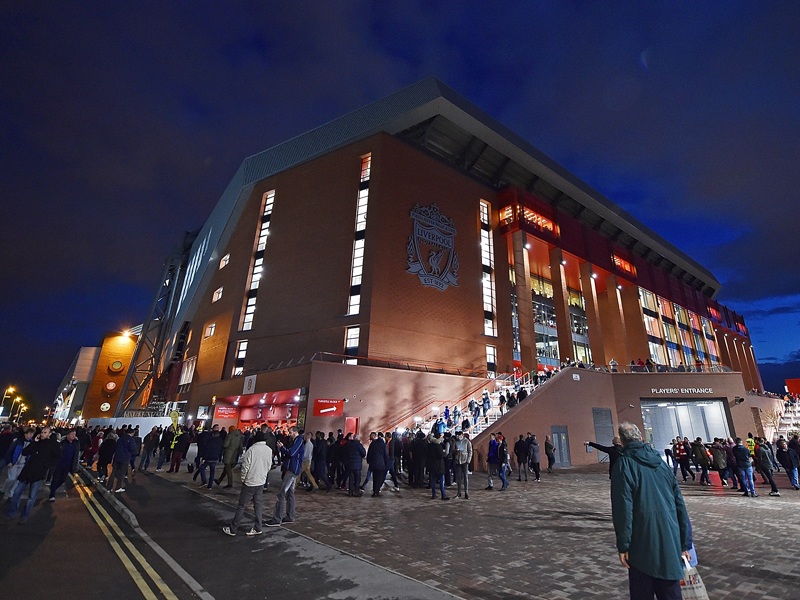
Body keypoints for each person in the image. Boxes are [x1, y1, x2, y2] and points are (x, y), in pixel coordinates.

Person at [611, 422, 691, 600]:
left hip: (641, 543)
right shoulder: (662, 464)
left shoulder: (624, 465)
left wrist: (623, 545)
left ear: (622, 442)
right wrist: (684, 543)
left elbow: (623, 509)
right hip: (670, 539)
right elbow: (679, 504)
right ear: (641, 438)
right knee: (671, 593)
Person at [6, 426, 62, 522]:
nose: (42, 434)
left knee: (32, 497)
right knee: (16, 493)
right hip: (27, 471)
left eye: (45, 432)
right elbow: (25, 452)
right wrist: (34, 442)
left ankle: (24, 516)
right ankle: (12, 513)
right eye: (42, 432)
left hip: (38, 473)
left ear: (50, 434)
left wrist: (46, 465)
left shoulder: (54, 444)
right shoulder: (36, 442)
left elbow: (57, 457)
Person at [223, 431, 273, 536]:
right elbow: (269, 465)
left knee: (242, 505)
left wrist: (243, 478)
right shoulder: (269, 450)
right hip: (260, 481)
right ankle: (258, 527)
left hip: (250, 481)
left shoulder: (252, 450)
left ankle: (233, 528)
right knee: (258, 505)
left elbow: (246, 466)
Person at [266, 426, 303, 526]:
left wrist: (282, 448)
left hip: (292, 470)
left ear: (295, 432)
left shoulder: (298, 441)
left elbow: (291, 453)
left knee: (281, 493)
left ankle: (277, 518)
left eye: (290, 432)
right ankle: (290, 516)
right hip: (291, 469)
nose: (289, 434)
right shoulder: (295, 441)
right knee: (289, 493)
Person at [2, 427, 34, 498]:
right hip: (15, 462)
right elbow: (10, 451)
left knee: (17, 480)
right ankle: (4, 489)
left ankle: (11, 493)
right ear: (26, 434)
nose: (31, 436)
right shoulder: (18, 441)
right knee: (11, 478)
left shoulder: (31, 443)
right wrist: (9, 461)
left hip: (22, 463)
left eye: (32, 434)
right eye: (30, 434)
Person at [49, 429, 81, 501]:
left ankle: (53, 488)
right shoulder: (63, 443)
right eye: (72, 434)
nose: (74, 436)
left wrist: (75, 466)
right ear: (68, 435)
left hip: (68, 465)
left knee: (63, 479)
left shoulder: (75, 444)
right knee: (55, 479)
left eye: (74, 435)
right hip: (59, 464)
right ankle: (52, 494)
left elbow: (76, 455)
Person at [108, 428, 138, 493]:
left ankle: (109, 487)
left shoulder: (120, 439)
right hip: (125, 458)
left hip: (117, 457)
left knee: (113, 473)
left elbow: (115, 447)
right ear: (132, 433)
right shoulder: (131, 440)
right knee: (122, 473)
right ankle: (117, 487)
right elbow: (133, 449)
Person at [427, 432, 449, 500]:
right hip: (439, 466)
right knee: (441, 481)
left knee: (433, 480)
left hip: (432, 465)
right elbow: (440, 456)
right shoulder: (438, 446)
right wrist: (443, 452)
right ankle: (443, 494)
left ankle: (434, 494)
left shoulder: (430, 445)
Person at [343, 433, 366, 497]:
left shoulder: (348, 444)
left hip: (350, 464)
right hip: (357, 464)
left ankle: (350, 492)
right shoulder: (359, 445)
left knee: (351, 479)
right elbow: (363, 453)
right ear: (358, 438)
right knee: (357, 479)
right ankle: (356, 491)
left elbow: (345, 453)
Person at [453, 430, 472, 499]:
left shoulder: (467, 442)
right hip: (458, 461)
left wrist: (468, 460)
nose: (459, 437)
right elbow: (452, 450)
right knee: (459, 478)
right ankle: (459, 492)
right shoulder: (456, 442)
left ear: (462, 435)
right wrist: (456, 451)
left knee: (465, 477)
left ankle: (466, 492)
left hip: (465, 461)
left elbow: (470, 451)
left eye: (460, 436)